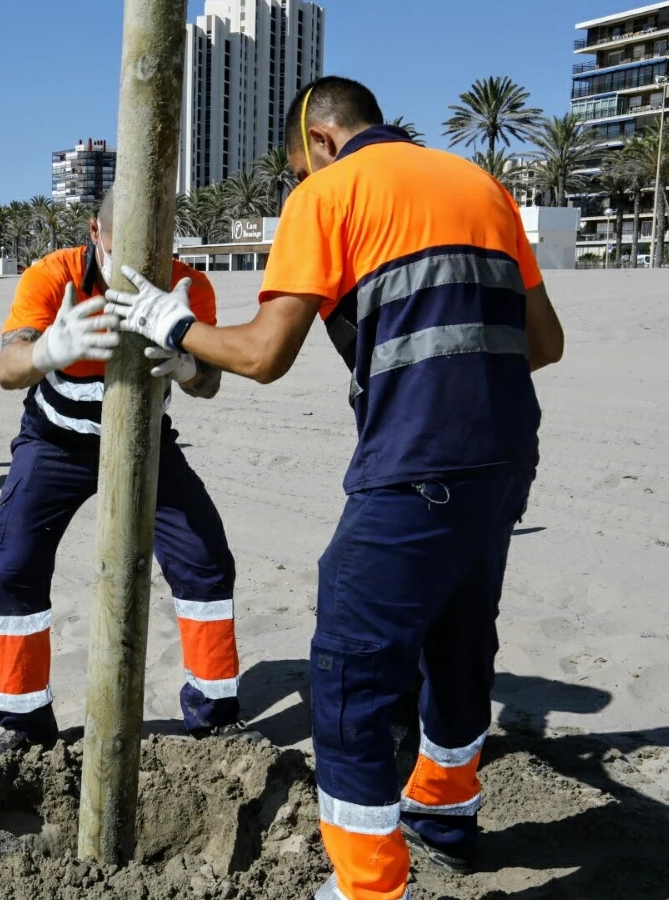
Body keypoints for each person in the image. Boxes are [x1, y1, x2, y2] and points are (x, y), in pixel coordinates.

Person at [108, 76, 566, 900]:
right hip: (504, 461)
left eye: (294, 170)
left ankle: (365, 887)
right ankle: (445, 811)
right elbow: (545, 342)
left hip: (414, 465)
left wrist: (168, 326)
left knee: (351, 673)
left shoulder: (330, 193)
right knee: (461, 643)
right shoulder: (480, 184)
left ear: (319, 140)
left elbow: (262, 354)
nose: (296, 186)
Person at [0, 191, 248, 766]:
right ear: (95, 230)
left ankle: (214, 714)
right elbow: (6, 368)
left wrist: (189, 366)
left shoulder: (187, 285)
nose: (136, 271)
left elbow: (211, 384)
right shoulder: (54, 275)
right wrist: (51, 348)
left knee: (205, 559)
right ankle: (25, 723)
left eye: (154, 252)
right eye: (124, 249)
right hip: (55, 442)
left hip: (147, 441)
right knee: (15, 559)